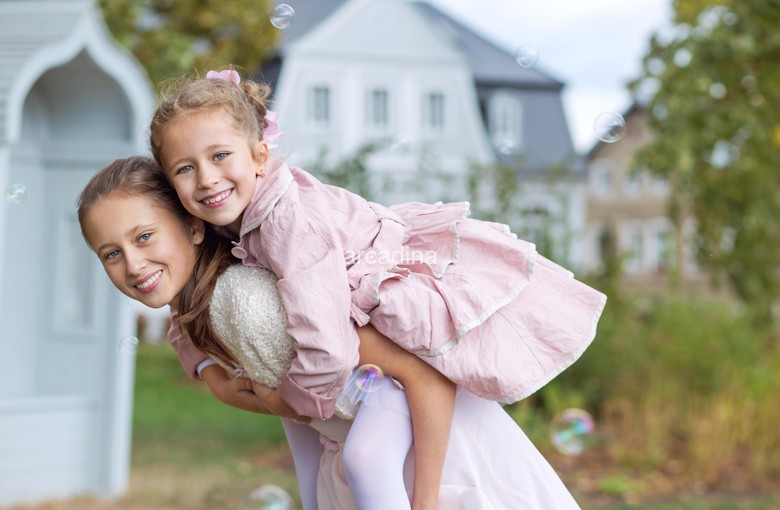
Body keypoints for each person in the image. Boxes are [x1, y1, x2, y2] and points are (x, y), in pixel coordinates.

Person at [148, 69, 607, 508]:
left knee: (368, 460)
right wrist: (206, 366)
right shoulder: (230, 218)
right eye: (185, 168)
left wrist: (283, 401)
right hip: (352, 384)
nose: (206, 178)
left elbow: (325, 346)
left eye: (220, 155)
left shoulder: (289, 222)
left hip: (387, 307)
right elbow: (187, 298)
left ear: (260, 156)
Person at [76, 156, 582, 509]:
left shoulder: (252, 297)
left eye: (144, 237)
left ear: (192, 227)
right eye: (111, 254)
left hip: (430, 459)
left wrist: (425, 502)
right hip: (361, 464)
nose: (133, 263)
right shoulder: (206, 311)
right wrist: (212, 373)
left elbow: (424, 377)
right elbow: (290, 405)